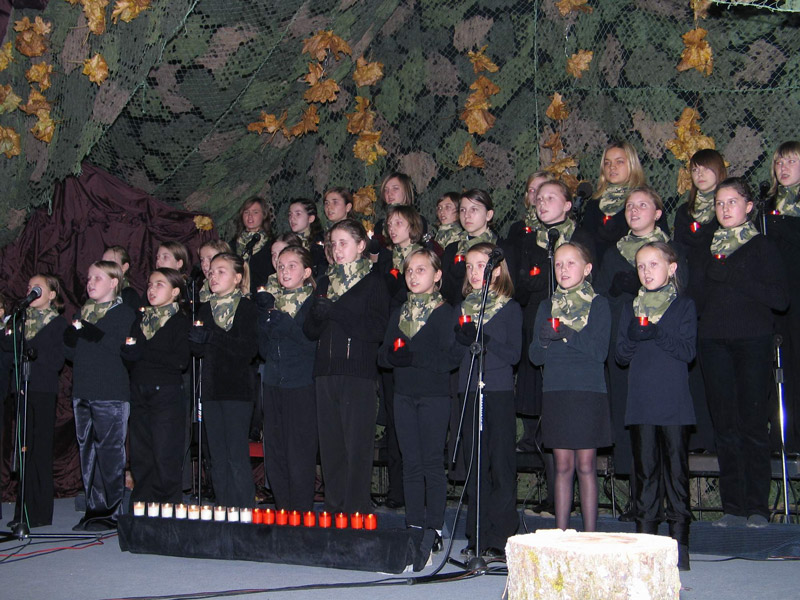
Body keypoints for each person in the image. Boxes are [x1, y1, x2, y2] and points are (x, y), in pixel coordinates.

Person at [698, 177, 788, 528]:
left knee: (752, 424)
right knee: (725, 426)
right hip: (713, 342)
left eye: (732, 202)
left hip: (752, 341)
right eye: (719, 203)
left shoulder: (761, 245)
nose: (724, 208)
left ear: (749, 207)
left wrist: (733, 275)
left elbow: (781, 299)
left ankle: (757, 508)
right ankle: (733, 507)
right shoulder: (708, 245)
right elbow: (696, 297)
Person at [594, 186, 674, 520]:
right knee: (629, 418)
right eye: (629, 205)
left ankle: (667, 497)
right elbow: (598, 295)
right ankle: (639, 498)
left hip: (661, 348)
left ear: (657, 213)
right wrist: (614, 291)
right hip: (624, 343)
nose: (634, 210)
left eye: (642, 205)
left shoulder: (669, 250)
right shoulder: (614, 253)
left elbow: (683, 293)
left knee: (662, 420)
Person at [514, 180, 593, 516]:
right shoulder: (528, 238)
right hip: (538, 328)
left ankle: (574, 501)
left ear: (568, 205)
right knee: (542, 416)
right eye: (539, 198)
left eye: (551, 197)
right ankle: (553, 494)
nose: (542, 202)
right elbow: (518, 284)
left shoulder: (580, 237)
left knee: (568, 418)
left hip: (572, 336)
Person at [616, 242, 696, 571]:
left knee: (676, 473)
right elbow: (621, 355)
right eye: (641, 266)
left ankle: (679, 544)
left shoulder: (683, 305)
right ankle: (645, 544)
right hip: (642, 402)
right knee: (645, 473)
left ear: (671, 268)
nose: (646, 272)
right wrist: (635, 336)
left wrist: (656, 332)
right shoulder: (630, 307)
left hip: (674, 402)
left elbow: (687, 352)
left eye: (653, 264)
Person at [303, 219, 390, 514]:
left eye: (343, 243)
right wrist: (317, 315)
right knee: (331, 447)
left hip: (357, 373)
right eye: (333, 244)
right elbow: (310, 332)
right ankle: (334, 508)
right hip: (325, 372)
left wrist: (336, 310)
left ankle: (356, 511)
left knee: (357, 446)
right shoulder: (325, 281)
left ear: (361, 245)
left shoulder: (374, 282)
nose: (337, 250)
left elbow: (377, 330)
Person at [378, 248, 458, 557]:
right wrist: (393, 357)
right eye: (409, 270)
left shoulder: (445, 312)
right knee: (410, 463)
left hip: (433, 397)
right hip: (403, 396)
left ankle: (434, 528)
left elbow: (450, 358)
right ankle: (413, 526)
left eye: (421, 270)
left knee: (431, 464)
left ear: (437, 276)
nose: (413, 276)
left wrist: (413, 357)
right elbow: (382, 355)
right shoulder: (400, 311)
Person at [530, 242, 611, 533]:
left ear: (587, 269)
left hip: (587, 391)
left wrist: (566, 333)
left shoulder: (599, 304)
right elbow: (534, 357)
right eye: (558, 264)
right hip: (557, 391)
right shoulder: (546, 306)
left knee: (586, 465)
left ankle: (589, 537)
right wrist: (542, 340)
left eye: (570, 263)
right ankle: (561, 535)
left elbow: (599, 352)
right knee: (562, 466)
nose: (563, 269)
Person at [454, 242, 522, 560]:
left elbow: (514, 354)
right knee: (475, 465)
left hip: (497, 391)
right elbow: (453, 355)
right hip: (469, 390)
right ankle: (477, 534)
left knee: (500, 464)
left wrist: (486, 338)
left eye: (480, 265)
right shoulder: (464, 308)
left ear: (496, 271)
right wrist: (460, 341)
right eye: (469, 266)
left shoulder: (509, 308)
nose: (473, 271)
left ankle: (501, 535)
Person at [64, 260, 137, 531]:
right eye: (89, 278)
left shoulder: (124, 313)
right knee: (88, 452)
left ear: (114, 282)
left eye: (98, 278)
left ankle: (112, 511)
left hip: (110, 393)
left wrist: (89, 331)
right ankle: (94, 510)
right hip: (83, 390)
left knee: (109, 454)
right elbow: (71, 353)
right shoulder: (84, 312)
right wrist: (72, 336)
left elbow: (117, 348)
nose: (90, 283)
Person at [189, 253, 259, 508]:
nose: (213, 276)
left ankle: (243, 510)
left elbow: (248, 350)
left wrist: (211, 337)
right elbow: (199, 352)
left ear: (237, 278)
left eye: (221, 271)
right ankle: (224, 509)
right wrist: (196, 341)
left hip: (237, 390)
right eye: (211, 272)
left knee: (235, 455)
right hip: (211, 389)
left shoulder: (247, 308)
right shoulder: (204, 309)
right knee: (216, 456)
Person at [671, 149, 727, 453]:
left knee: (719, 372)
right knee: (693, 373)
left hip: (719, 300)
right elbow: (679, 252)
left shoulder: (728, 209)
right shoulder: (684, 212)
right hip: (692, 299)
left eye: (706, 168)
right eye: (694, 170)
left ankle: (723, 437)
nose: (700, 174)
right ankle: (699, 437)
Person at [257, 245, 318, 511]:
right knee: (276, 451)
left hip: (301, 384)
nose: (284, 271)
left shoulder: (314, 304)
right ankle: (283, 510)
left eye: (292, 266)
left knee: (299, 452)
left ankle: (301, 513)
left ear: (306, 272)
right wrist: (263, 324)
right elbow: (262, 351)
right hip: (273, 383)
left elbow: (314, 346)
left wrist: (288, 326)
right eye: (280, 266)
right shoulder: (272, 305)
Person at [124, 268, 190, 506]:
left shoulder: (180, 321)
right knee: (141, 454)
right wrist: (130, 353)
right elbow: (130, 354)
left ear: (175, 292)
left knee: (165, 454)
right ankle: (142, 507)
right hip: (139, 390)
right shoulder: (141, 319)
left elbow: (180, 361)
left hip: (166, 393)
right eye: (150, 284)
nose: (152, 289)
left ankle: (167, 509)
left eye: (159, 285)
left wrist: (144, 352)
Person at [5, 274, 67, 528]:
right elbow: (7, 347)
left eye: (38, 288)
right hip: (21, 389)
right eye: (29, 287)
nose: (31, 290)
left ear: (51, 295)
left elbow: (58, 360)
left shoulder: (58, 323)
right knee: (23, 449)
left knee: (39, 449)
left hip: (42, 390)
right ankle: (22, 510)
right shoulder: (21, 319)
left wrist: (35, 354)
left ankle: (39, 512)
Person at [765, 141, 800, 453]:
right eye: (779, 162)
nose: (783, 167)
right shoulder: (767, 205)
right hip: (776, 298)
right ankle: (782, 435)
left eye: (791, 161)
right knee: (779, 367)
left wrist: (783, 226)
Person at [582, 141, 649, 269]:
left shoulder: (646, 199)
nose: (612, 167)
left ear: (632, 164)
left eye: (619, 162)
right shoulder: (594, 203)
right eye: (607, 163)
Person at [440, 189, 500, 305]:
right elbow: (444, 290)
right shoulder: (452, 249)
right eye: (462, 210)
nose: (467, 215)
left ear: (488, 215)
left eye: (474, 209)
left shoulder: (500, 248)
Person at [233, 197, 274, 294]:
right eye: (246, 212)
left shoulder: (272, 245)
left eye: (255, 212)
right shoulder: (232, 245)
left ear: (264, 215)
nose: (250, 216)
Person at [287, 198, 327, 277]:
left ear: (311, 218)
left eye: (298, 214)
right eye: (290, 215)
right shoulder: (286, 241)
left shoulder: (322, 242)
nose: (292, 218)